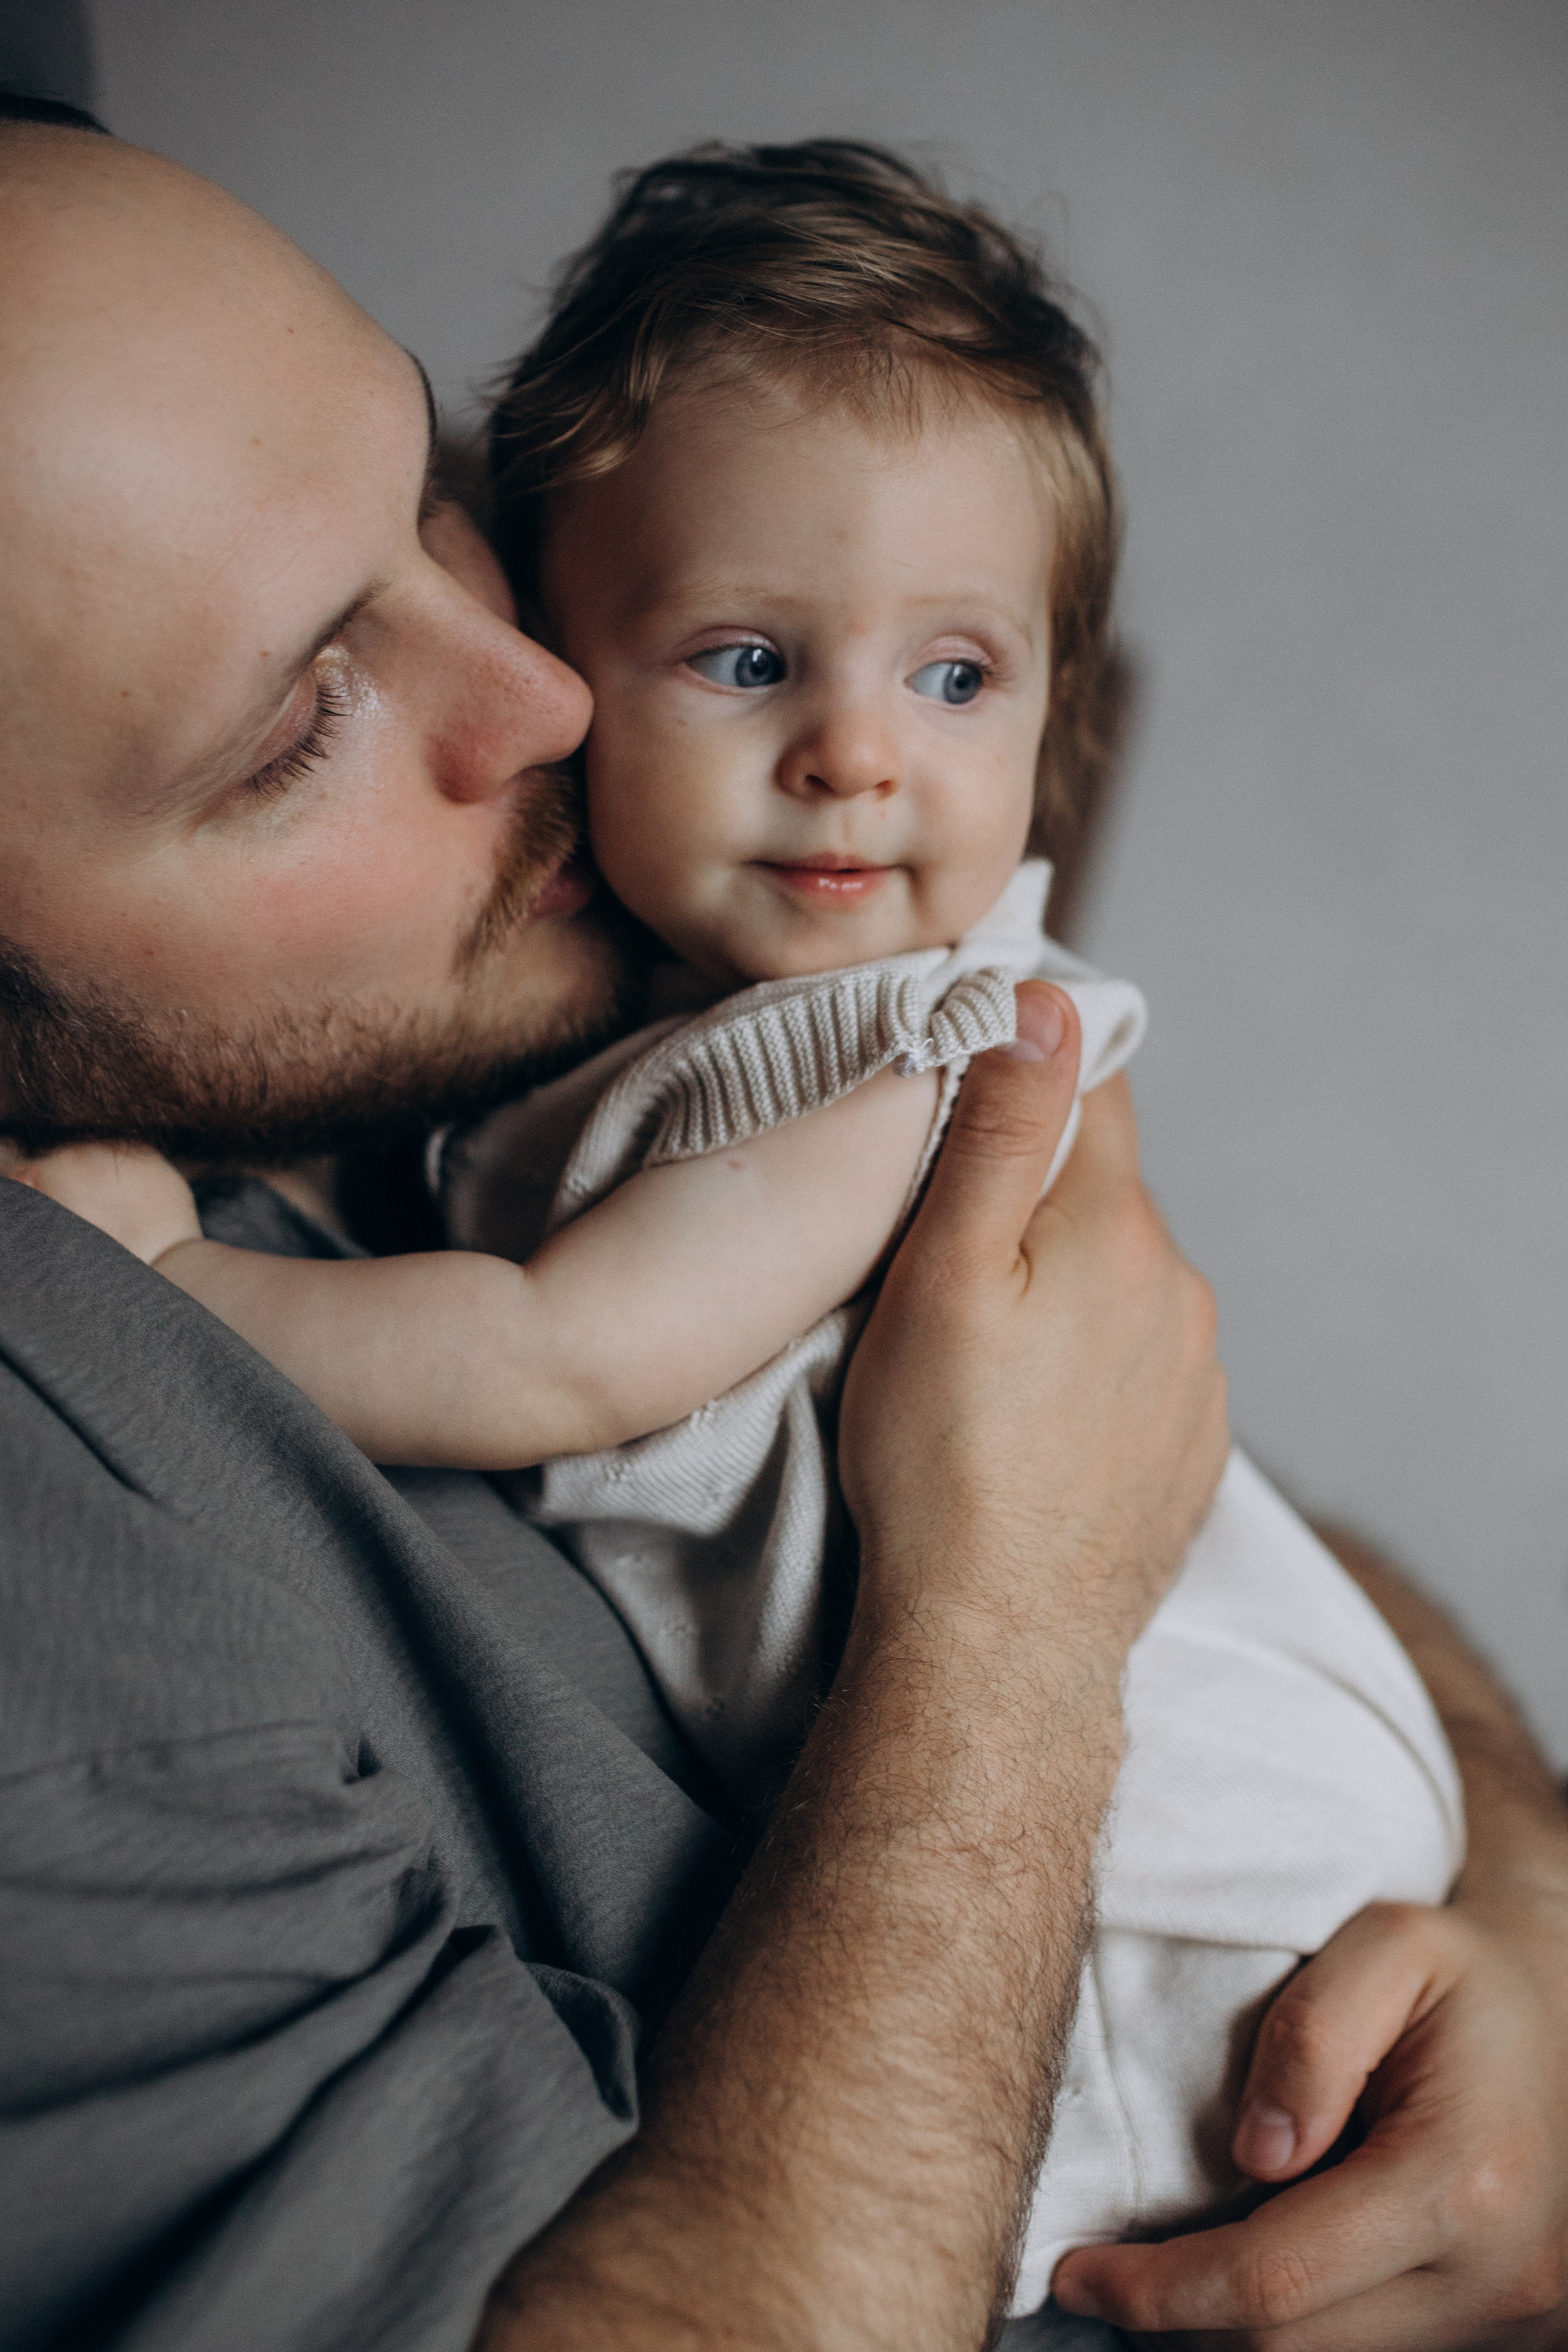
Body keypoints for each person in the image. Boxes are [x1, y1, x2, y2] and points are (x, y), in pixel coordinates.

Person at [0, 101, 1563, 2351]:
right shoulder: (78, 1532)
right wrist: (1006, 1626)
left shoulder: (623, 992)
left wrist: (1524, 1893)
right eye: (297, 725)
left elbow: (1117, 1444)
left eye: (436, 502)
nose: (540, 689)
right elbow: (1002, 1508)